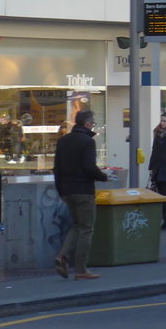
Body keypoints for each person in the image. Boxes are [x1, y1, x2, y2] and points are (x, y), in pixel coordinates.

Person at [53, 110, 110, 280]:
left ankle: (62, 255)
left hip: (67, 191)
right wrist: (104, 176)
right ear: (86, 124)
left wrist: (61, 191)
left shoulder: (63, 141)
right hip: (84, 191)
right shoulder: (87, 142)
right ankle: (81, 270)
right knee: (86, 228)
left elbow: (57, 168)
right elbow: (89, 167)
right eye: (92, 123)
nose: (93, 126)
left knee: (77, 225)